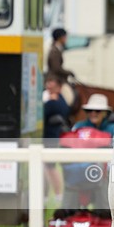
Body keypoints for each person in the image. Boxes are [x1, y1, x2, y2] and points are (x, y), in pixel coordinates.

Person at [61, 94, 114, 212]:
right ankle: (67, 217)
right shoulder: (78, 127)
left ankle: (105, 216)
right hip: (80, 170)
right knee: (70, 174)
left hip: (105, 173)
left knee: (104, 173)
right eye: (89, 110)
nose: (93, 113)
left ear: (105, 113)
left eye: (97, 111)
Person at [43, 73, 71, 207]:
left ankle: (58, 195)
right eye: (47, 82)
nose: (48, 85)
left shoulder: (52, 102)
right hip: (54, 137)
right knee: (47, 168)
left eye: (51, 82)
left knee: (50, 168)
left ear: (59, 86)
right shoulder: (62, 100)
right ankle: (47, 195)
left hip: (49, 138)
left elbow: (42, 112)